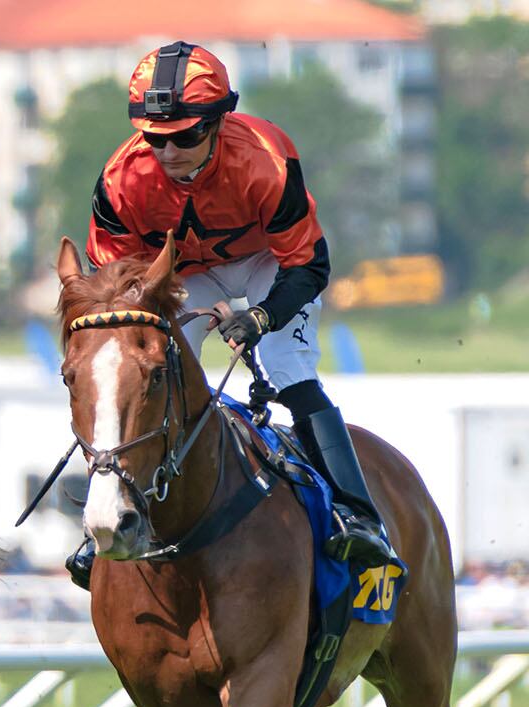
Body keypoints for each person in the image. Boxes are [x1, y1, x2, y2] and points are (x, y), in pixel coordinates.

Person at [67, 42, 396, 590]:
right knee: (135, 375)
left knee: (288, 368)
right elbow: (115, 286)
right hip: (179, 276)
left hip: (270, 263)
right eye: (155, 138)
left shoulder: (265, 160)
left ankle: (357, 513)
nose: (168, 152)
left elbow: (309, 265)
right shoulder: (121, 180)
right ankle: (110, 509)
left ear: (218, 123)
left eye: (185, 136)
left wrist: (262, 317)